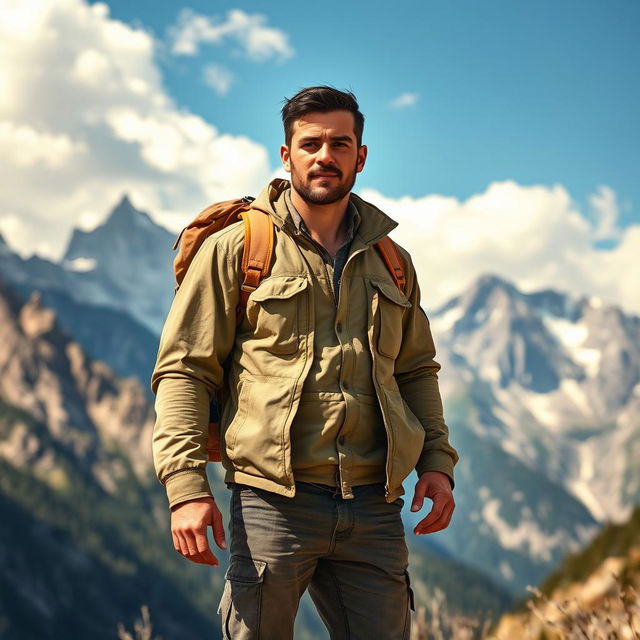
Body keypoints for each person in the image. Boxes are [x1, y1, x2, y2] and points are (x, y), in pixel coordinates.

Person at [151, 85, 459, 640]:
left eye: (340, 143)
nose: (325, 156)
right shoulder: (238, 248)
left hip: (374, 506)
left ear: (360, 156)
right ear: (286, 154)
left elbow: (415, 371)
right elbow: (183, 371)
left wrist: (436, 463)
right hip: (273, 503)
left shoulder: (393, 262)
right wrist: (186, 488)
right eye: (310, 143)